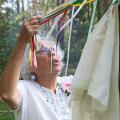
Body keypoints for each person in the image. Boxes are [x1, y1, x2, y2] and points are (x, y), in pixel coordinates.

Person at [0, 16, 73, 120]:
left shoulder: (70, 82)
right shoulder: (25, 89)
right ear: (31, 66)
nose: (52, 52)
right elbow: (6, 94)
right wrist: (22, 40)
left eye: (53, 49)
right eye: (42, 51)